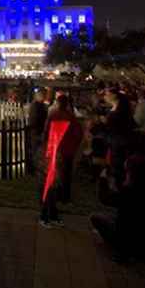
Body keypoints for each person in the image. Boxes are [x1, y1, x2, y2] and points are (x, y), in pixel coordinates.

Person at [90, 156, 145, 264]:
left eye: (127, 171)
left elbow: (105, 198)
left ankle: (122, 248)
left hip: (131, 244)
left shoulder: (129, 192)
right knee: (114, 216)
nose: (125, 174)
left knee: (96, 218)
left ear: (133, 174)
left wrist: (102, 178)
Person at [39, 94, 82, 228]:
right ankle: (49, 214)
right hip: (64, 153)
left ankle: (48, 215)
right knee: (55, 184)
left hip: (55, 152)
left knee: (51, 185)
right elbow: (78, 135)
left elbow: (46, 133)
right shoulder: (70, 117)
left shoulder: (54, 115)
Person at [103, 89, 136, 188]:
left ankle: (119, 186)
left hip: (118, 140)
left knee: (117, 163)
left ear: (114, 96)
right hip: (119, 139)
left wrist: (106, 122)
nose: (105, 96)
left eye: (107, 94)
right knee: (118, 162)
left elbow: (115, 125)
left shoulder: (118, 111)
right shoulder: (120, 108)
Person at [26, 89, 48, 175]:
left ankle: (37, 168)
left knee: (39, 151)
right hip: (36, 131)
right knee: (35, 150)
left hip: (39, 130)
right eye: (42, 95)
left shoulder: (40, 105)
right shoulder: (36, 106)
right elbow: (34, 119)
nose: (43, 97)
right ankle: (34, 169)